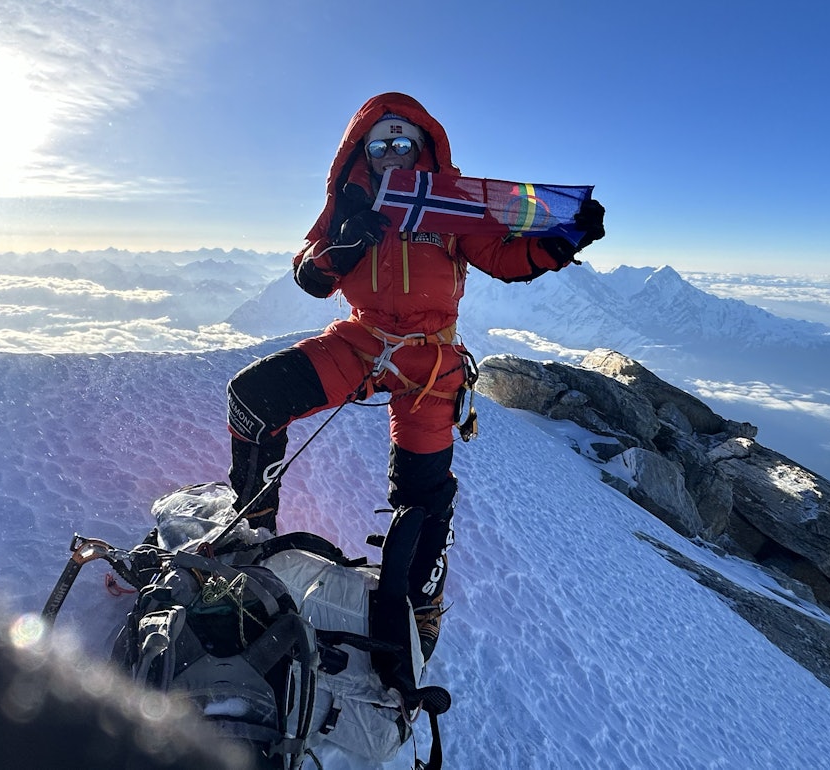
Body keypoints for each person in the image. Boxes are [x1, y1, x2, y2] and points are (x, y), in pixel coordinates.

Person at [225, 92, 603, 667]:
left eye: (404, 141)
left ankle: (418, 608)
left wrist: (563, 240)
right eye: (381, 143)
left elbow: (504, 258)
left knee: (424, 495)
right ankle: (252, 538)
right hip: (361, 340)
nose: (393, 153)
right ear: (361, 151)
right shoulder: (347, 203)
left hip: (431, 359)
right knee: (253, 399)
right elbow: (311, 277)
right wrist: (343, 245)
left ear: (425, 146)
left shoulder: (451, 206)